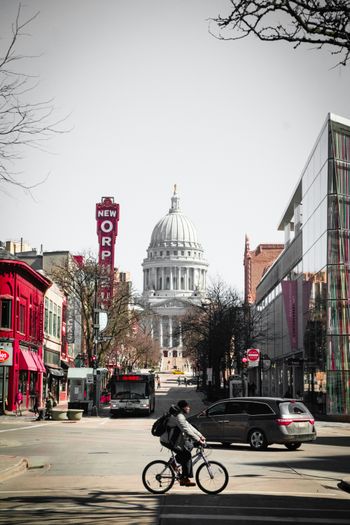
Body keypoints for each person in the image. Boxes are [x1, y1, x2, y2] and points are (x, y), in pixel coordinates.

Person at [162, 399, 206, 487]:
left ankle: (174, 462)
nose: (189, 408)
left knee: (189, 446)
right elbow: (186, 430)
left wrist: (200, 435)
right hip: (168, 441)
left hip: (174, 439)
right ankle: (184, 479)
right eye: (188, 407)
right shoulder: (178, 417)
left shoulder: (180, 416)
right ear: (184, 408)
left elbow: (188, 426)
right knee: (186, 455)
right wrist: (198, 440)